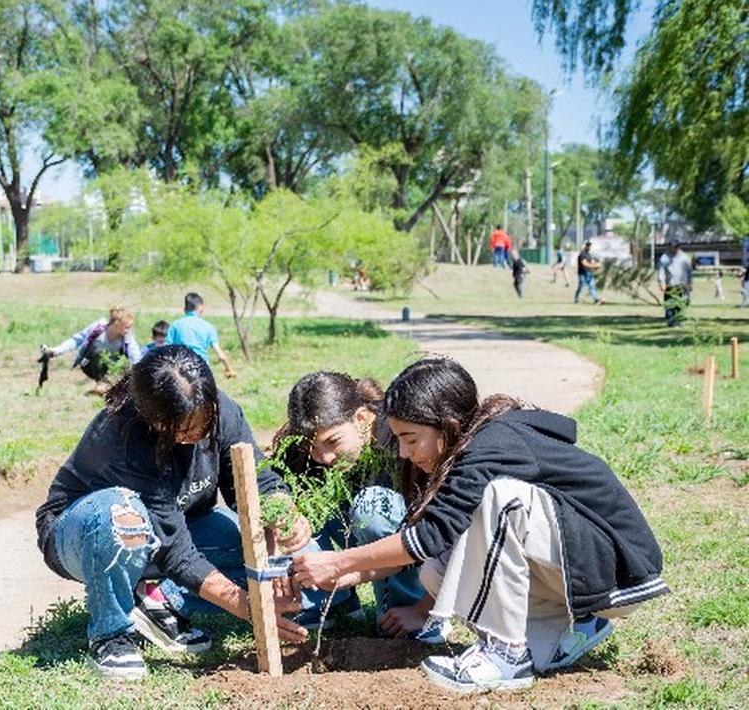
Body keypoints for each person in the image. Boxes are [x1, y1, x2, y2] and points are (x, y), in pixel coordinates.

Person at [292, 358, 667, 694]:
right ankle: (575, 625)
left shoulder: (492, 443)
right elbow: (430, 544)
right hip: (576, 573)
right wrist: (349, 576)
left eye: (410, 439)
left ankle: (505, 654)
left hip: (619, 571)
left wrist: (340, 563)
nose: (403, 453)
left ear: (448, 425)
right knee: (438, 570)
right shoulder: (462, 450)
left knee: (501, 498)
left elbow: (427, 536)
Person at [35, 346, 321, 680]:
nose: (198, 435)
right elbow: (175, 550)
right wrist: (248, 607)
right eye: (184, 431)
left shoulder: (221, 412)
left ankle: (158, 600)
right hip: (84, 535)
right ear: (154, 420)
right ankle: (111, 635)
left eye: (204, 424)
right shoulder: (125, 433)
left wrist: (281, 510)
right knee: (122, 519)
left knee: (273, 552)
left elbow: (256, 479)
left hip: (174, 528)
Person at [270, 371, 448, 644]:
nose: (324, 457)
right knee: (303, 503)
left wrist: (425, 607)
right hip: (355, 544)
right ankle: (329, 599)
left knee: (372, 508)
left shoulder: (404, 439)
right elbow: (273, 492)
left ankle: (405, 612)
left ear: (362, 419)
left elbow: (443, 531)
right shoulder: (309, 454)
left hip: (410, 546)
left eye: (333, 442)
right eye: (314, 448)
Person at [41, 306, 143, 383]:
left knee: (126, 366)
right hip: (89, 365)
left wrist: (140, 372)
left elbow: (135, 355)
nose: (129, 330)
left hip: (112, 368)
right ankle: (101, 383)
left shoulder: (127, 337)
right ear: (116, 323)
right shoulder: (98, 328)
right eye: (126, 327)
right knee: (99, 353)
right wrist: (56, 351)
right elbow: (77, 340)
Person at [166, 293, 237, 379]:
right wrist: (229, 369)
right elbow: (221, 355)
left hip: (180, 370)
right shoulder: (208, 327)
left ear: (184, 309)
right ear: (201, 307)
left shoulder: (175, 325)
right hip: (201, 370)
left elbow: (167, 350)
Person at [657, 238, 692, 327]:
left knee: (682, 304)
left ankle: (680, 321)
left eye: (675, 247)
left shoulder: (685, 257)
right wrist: (662, 283)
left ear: (678, 247)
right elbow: (661, 271)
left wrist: (690, 283)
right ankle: (671, 321)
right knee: (670, 305)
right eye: (671, 247)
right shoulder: (664, 258)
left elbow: (689, 271)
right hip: (670, 285)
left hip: (682, 285)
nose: (673, 248)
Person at [573, 240, 601, 304]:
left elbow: (592, 262)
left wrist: (597, 265)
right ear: (585, 246)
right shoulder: (582, 254)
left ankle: (596, 299)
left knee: (592, 286)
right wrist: (595, 265)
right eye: (587, 245)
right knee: (581, 286)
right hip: (582, 273)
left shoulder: (589, 254)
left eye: (590, 245)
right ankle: (576, 299)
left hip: (589, 273)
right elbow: (585, 263)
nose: (589, 246)